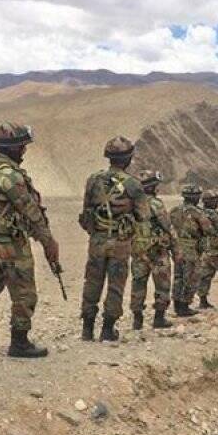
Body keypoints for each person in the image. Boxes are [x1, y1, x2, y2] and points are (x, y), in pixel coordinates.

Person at [0, 121, 58, 358]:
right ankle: (19, 342)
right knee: (24, 293)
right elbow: (30, 209)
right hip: (11, 244)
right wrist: (48, 241)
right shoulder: (8, 174)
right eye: (22, 146)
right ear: (14, 147)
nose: (24, 151)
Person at [78, 136, 151, 341]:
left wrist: (96, 232)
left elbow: (86, 213)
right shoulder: (134, 185)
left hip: (97, 240)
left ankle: (87, 329)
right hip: (120, 242)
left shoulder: (93, 180)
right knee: (116, 285)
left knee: (92, 282)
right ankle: (108, 330)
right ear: (128, 159)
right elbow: (143, 217)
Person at [129, 170, 175, 330]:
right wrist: (175, 249)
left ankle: (137, 320)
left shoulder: (130, 204)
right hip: (157, 251)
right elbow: (167, 226)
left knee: (138, 284)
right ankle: (159, 318)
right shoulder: (156, 204)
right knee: (162, 284)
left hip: (138, 251)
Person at [169, 184, 204, 317]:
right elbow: (208, 229)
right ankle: (184, 306)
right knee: (191, 276)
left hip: (176, 247)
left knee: (178, 276)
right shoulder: (197, 212)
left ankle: (177, 304)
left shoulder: (174, 210)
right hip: (191, 248)